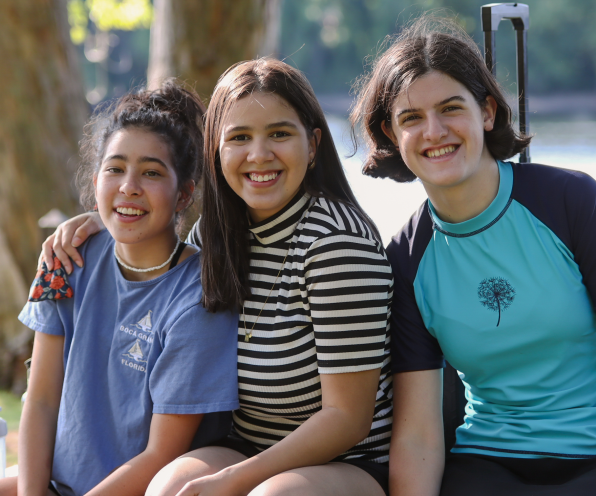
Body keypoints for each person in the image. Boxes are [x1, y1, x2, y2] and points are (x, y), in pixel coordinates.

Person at [350, 16, 596, 496]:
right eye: (411, 118)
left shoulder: (573, 203)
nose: (434, 131)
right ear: (390, 133)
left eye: (451, 108)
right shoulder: (407, 259)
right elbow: (418, 433)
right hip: (489, 462)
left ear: (487, 112)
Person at [41, 59, 394, 496]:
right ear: (216, 150)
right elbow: (152, 245)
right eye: (239, 138)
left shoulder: (337, 247)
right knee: (169, 486)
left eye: (279, 134)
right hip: (246, 446)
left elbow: (348, 419)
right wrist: (99, 221)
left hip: (348, 462)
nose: (258, 155)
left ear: (313, 143)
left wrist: (232, 480)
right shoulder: (215, 233)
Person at [0, 82, 240, 496]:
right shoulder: (66, 258)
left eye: (151, 172)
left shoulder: (198, 299)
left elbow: (161, 455)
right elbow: (38, 401)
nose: (129, 186)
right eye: (115, 169)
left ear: (184, 195)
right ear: (95, 185)